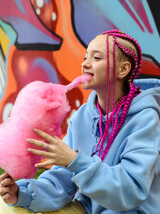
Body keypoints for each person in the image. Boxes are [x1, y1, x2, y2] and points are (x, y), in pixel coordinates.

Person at [0, 30, 160, 214]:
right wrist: (21, 194)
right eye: (85, 57)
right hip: (85, 208)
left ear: (122, 70)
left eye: (97, 58)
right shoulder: (83, 116)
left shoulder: (145, 119)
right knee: (6, 207)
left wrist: (75, 161)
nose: (85, 64)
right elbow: (60, 183)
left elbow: (131, 190)